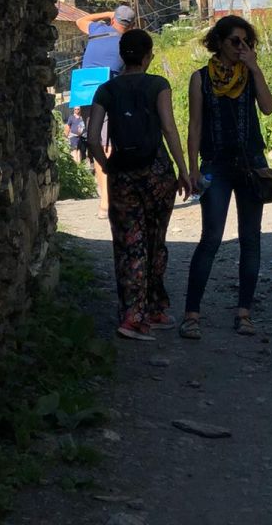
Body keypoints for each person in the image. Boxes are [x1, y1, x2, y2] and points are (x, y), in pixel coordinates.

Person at [86, 29, 191, 341]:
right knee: (156, 241)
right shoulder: (158, 84)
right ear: (148, 57)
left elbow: (93, 138)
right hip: (157, 172)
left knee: (129, 244)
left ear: (122, 56)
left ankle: (132, 316)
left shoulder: (105, 90)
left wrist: (107, 166)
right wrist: (183, 169)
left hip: (123, 175)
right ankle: (155, 309)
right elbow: (169, 129)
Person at [180, 15, 272, 340]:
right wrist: (192, 168)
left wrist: (256, 68)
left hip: (251, 163)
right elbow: (194, 125)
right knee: (211, 238)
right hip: (216, 165)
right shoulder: (200, 79)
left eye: (247, 41)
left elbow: (268, 108)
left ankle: (244, 312)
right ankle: (191, 315)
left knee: (251, 239)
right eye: (235, 41)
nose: (241, 47)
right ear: (219, 42)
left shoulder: (249, 74)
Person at [76, 5, 135, 218]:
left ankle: (105, 199)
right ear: (131, 26)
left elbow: (80, 21)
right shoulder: (127, 43)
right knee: (107, 146)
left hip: (85, 93)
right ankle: (107, 201)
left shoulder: (98, 30)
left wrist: (107, 14)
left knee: (96, 144)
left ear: (113, 20)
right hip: (110, 93)